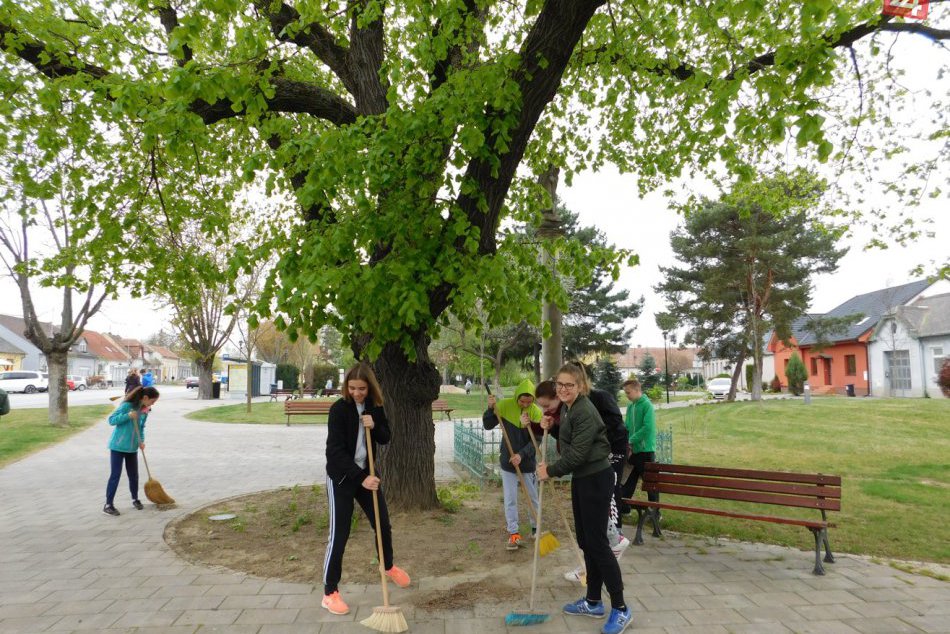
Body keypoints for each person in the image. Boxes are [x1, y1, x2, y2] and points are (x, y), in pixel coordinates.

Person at [538, 364, 632, 634]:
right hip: (583, 478)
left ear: (580, 386)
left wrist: (551, 471)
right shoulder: (568, 408)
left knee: (599, 545)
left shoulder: (585, 410)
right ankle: (593, 601)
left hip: (596, 478)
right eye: (560, 385)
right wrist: (551, 424)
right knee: (586, 541)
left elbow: (578, 453)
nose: (564, 389)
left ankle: (621, 608)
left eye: (570, 385)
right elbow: (571, 438)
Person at [322, 362, 410, 616]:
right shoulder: (339, 410)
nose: (357, 393)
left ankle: (388, 566)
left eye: (361, 388)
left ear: (369, 387)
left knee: (382, 524)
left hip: (366, 473)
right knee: (339, 534)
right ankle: (329, 592)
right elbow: (334, 453)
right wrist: (360, 478)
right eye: (352, 388)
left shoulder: (375, 407)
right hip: (342, 478)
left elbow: (385, 437)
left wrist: (375, 425)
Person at [483, 379, 543, 550]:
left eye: (529, 402)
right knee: (510, 499)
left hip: (527, 463)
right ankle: (514, 533)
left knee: (532, 497)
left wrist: (521, 455)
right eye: (522, 401)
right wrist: (490, 409)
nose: (525, 404)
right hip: (507, 462)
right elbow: (488, 425)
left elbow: (536, 441)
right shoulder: (504, 406)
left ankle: (535, 528)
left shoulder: (535, 413)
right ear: (516, 397)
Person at [103, 386, 160, 516]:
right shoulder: (127, 406)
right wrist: (127, 415)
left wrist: (142, 441)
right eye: (152, 401)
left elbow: (141, 428)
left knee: (134, 475)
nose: (153, 404)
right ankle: (108, 504)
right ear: (145, 398)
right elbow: (111, 420)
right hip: (118, 446)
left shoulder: (144, 411)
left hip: (132, 447)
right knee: (115, 475)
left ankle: (135, 499)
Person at [621, 379, 659, 512]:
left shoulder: (647, 405)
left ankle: (655, 512)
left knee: (650, 485)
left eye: (628, 393)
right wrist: (625, 439)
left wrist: (631, 440)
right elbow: (627, 426)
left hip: (646, 451)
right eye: (625, 393)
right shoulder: (631, 406)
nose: (627, 396)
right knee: (628, 482)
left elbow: (647, 427)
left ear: (637, 390)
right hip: (633, 452)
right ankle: (624, 509)